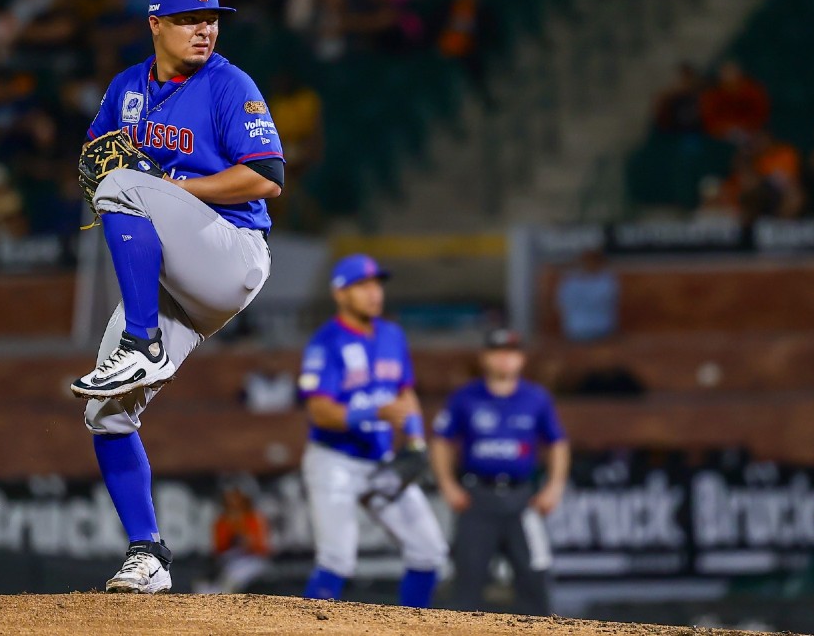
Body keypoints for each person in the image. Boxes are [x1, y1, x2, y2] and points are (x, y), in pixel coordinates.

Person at [69, 0, 285, 594]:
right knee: (105, 413)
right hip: (173, 277)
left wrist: (163, 189)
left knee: (124, 188)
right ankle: (149, 555)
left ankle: (142, 344)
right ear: (155, 25)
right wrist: (104, 181)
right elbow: (96, 161)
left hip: (230, 251)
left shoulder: (229, 83)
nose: (206, 28)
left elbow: (267, 177)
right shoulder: (126, 88)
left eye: (212, 17)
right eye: (191, 18)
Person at [298, 254, 448, 608]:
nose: (374, 292)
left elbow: (405, 393)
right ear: (340, 293)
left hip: (381, 461)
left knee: (429, 553)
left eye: (377, 284)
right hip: (335, 460)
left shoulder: (392, 335)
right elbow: (319, 411)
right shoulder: (326, 342)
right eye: (362, 285)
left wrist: (415, 442)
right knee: (338, 559)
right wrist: (374, 410)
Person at [430, 329, 571, 616]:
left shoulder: (536, 398)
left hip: (522, 500)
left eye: (512, 353)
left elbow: (557, 442)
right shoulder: (465, 398)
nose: (505, 360)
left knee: (534, 577)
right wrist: (447, 484)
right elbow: (441, 441)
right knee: (468, 583)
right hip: (478, 497)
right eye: (498, 353)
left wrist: (555, 486)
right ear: (485, 358)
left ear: (521, 359)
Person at [198, 476, 273, 594]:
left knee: (234, 575)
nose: (232, 501)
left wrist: (242, 531)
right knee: (227, 574)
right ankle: (214, 594)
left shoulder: (254, 518)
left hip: (253, 560)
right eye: (228, 498)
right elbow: (219, 549)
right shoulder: (222, 521)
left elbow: (262, 548)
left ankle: (222, 595)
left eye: (235, 497)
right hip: (229, 561)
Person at [555, 249, 619, 342]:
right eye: (587, 261)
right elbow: (561, 305)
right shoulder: (570, 282)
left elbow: (607, 303)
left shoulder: (607, 281)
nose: (590, 264)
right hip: (575, 331)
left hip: (603, 330)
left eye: (594, 261)